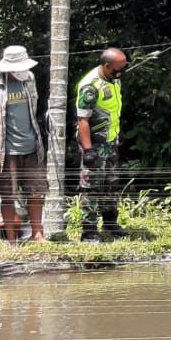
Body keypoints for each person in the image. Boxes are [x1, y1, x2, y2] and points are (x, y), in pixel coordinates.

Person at [0, 45, 47, 243]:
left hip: (32, 147)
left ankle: (38, 234)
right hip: (5, 151)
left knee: (36, 191)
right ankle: (12, 241)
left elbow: (33, 111)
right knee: (8, 195)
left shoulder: (29, 80)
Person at [74, 47, 128, 242]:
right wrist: (88, 150)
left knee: (110, 184)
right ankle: (89, 231)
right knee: (91, 188)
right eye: (117, 69)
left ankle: (110, 222)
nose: (121, 72)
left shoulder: (115, 80)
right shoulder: (90, 86)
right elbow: (83, 120)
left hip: (110, 142)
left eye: (124, 67)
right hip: (94, 145)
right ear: (106, 66)